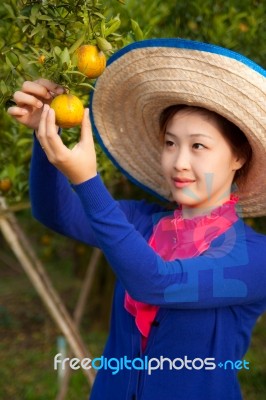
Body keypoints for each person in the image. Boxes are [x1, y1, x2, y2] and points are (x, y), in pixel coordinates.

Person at [8, 38, 266, 400]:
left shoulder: (253, 257)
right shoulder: (142, 222)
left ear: (238, 157)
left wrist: (87, 182)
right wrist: (46, 133)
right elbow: (55, 213)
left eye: (198, 146)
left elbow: (155, 282)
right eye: (171, 143)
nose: (178, 162)